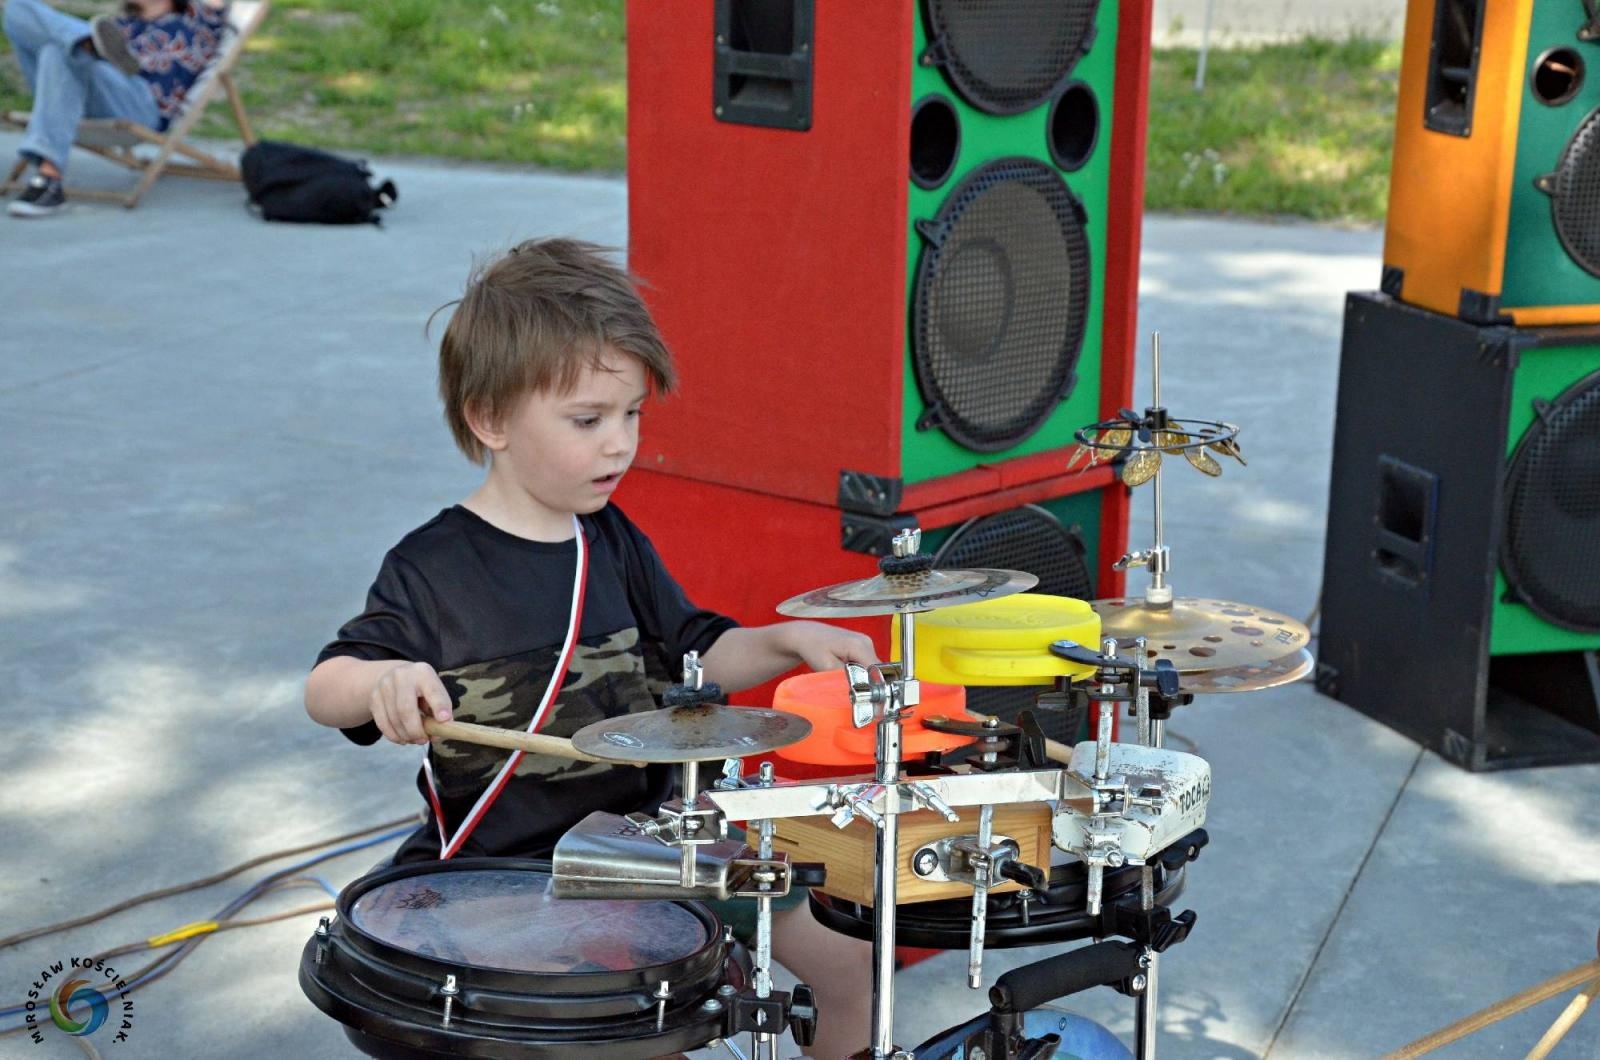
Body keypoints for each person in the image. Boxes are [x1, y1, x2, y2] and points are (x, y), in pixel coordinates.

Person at [304, 237, 877, 1058]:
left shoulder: (610, 541)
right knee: (618, 1016)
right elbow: (327, 685)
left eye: (632, 414)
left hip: (651, 847)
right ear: (490, 418)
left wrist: (786, 641)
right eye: (588, 420)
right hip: (509, 873)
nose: (620, 443)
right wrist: (382, 682)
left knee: (846, 959)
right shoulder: (433, 568)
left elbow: (696, 657)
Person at [2, 0, 228, 217]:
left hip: (141, 103)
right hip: (85, 93)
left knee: (62, 50)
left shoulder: (196, 21)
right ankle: (85, 44)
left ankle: (49, 177)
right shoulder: (119, 26)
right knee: (18, 9)